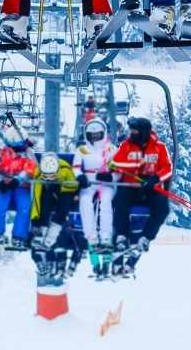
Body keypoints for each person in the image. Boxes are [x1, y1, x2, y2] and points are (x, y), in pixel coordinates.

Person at [109, 117, 173, 275]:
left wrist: (155, 178)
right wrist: (128, 170)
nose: (132, 134)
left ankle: (146, 237)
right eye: (131, 131)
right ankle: (121, 236)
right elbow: (116, 164)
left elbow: (167, 168)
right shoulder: (126, 146)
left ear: (144, 132)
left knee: (162, 208)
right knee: (120, 201)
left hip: (150, 187)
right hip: (131, 186)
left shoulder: (159, 147)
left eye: (135, 131)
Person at [29, 151, 84, 285]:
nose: (49, 177)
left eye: (52, 175)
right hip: (48, 193)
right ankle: (41, 234)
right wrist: (35, 219)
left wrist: (75, 193)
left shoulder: (64, 169)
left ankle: (49, 238)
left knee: (63, 207)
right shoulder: (38, 172)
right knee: (45, 200)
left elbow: (74, 185)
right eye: (46, 175)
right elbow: (35, 197)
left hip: (65, 191)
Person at [73, 118, 119, 276]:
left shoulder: (111, 149)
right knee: (85, 202)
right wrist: (80, 176)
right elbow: (76, 167)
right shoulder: (83, 150)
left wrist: (111, 177)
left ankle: (105, 238)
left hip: (104, 182)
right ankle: (91, 238)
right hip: (89, 181)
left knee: (106, 202)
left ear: (103, 133)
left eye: (97, 135)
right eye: (91, 135)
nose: (94, 138)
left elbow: (119, 169)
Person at [0, 123, 38, 246]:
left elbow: (31, 168)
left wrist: (18, 180)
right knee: (0, 205)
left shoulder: (28, 153)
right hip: (4, 184)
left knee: (24, 207)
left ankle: (19, 236)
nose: (18, 150)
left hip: (22, 187)